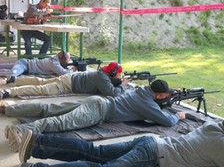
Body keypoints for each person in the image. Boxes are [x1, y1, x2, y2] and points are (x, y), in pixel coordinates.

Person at [4, 79, 186, 152]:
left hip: (96, 101)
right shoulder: (147, 103)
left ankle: (9, 109)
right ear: (160, 95)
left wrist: (163, 102)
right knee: (60, 123)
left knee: (50, 108)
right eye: (165, 96)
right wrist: (179, 115)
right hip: (98, 111)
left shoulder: (141, 91)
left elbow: (152, 104)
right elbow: (167, 121)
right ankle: (20, 131)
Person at [16, 114, 224, 167]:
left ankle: (37, 141)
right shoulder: (223, 144)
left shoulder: (211, 126)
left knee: (93, 151)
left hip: (151, 142)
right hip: (154, 156)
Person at [0, 62, 130, 100]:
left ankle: (15, 79)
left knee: (41, 81)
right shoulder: (102, 78)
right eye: (118, 74)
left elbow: (109, 84)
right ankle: (9, 92)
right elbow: (112, 93)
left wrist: (119, 82)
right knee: (42, 89)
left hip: (70, 78)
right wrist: (123, 85)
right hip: (69, 84)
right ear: (113, 73)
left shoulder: (103, 74)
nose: (119, 76)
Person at [0, 50, 71, 85]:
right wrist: (73, 70)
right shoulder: (54, 64)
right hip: (25, 65)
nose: (69, 60)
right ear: (63, 59)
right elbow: (64, 73)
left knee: (10, 66)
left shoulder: (54, 58)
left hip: (24, 63)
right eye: (68, 59)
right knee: (12, 74)